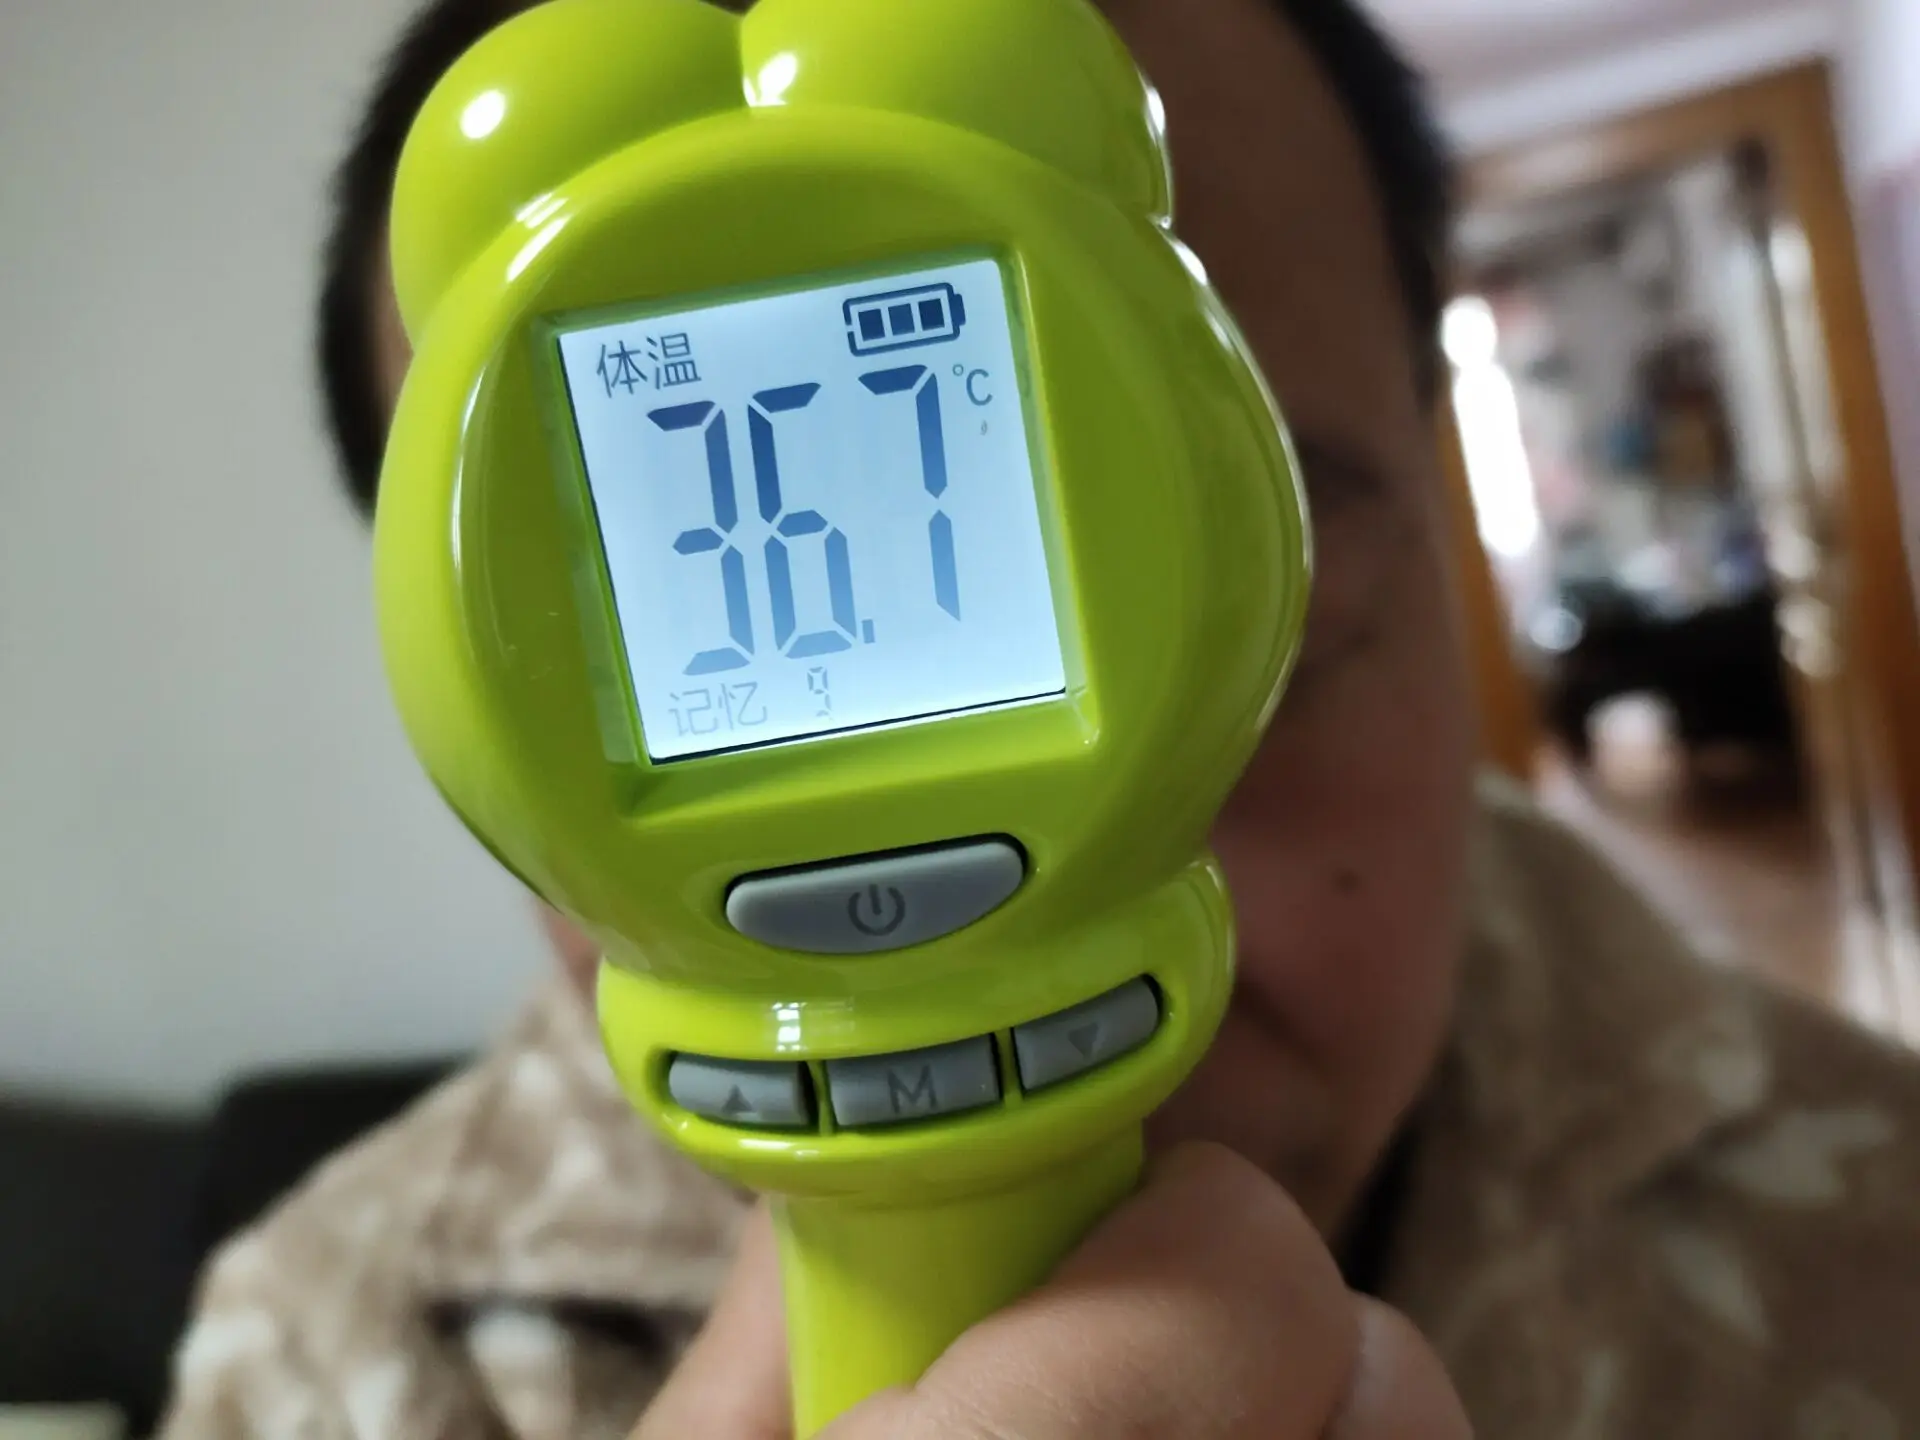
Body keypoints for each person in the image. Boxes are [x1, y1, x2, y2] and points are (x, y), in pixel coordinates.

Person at [162, 0, 1920, 1435]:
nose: (1052, 885)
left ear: (1446, 489)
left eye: (1271, 629)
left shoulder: (1882, 1214)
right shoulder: (315, 1368)